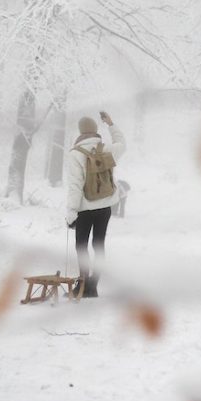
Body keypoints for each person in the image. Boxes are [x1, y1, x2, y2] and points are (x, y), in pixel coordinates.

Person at [65, 111, 126, 298]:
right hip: (105, 207)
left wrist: (71, 212)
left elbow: (75, 186)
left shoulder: (76, 154)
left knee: (81, 246)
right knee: (99, 244)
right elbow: (122, 144)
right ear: (95, 129)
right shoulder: (106, 148)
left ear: (81, 131)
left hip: (85, 208)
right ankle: (93, 286)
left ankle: (82, 287)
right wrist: (111, 124)